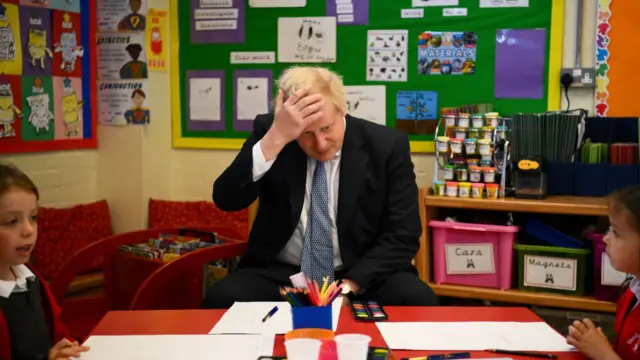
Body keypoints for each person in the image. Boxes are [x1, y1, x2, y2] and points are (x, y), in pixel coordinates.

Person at [202, 66, 437, 308]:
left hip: (360, 273)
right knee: (221, 298)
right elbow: (226, 198)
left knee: (418, 299)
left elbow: (403, 236)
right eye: (306, 133)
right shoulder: (275, 133)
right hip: (284, 273)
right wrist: (277, 137)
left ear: (342, 109)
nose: (320, 143)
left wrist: (351, 286)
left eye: (326, 129)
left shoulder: (386, 146)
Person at [0, 163, 90, 360]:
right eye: (11, 221)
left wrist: (67, 348)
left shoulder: (31, 278)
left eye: (33, 217)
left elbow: (57, 334)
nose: (29, 230)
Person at [567, 185, 640, 360]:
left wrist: (604, 354)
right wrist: (595, 344)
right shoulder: (631, 295)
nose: (606, 238)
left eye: (616, 232)